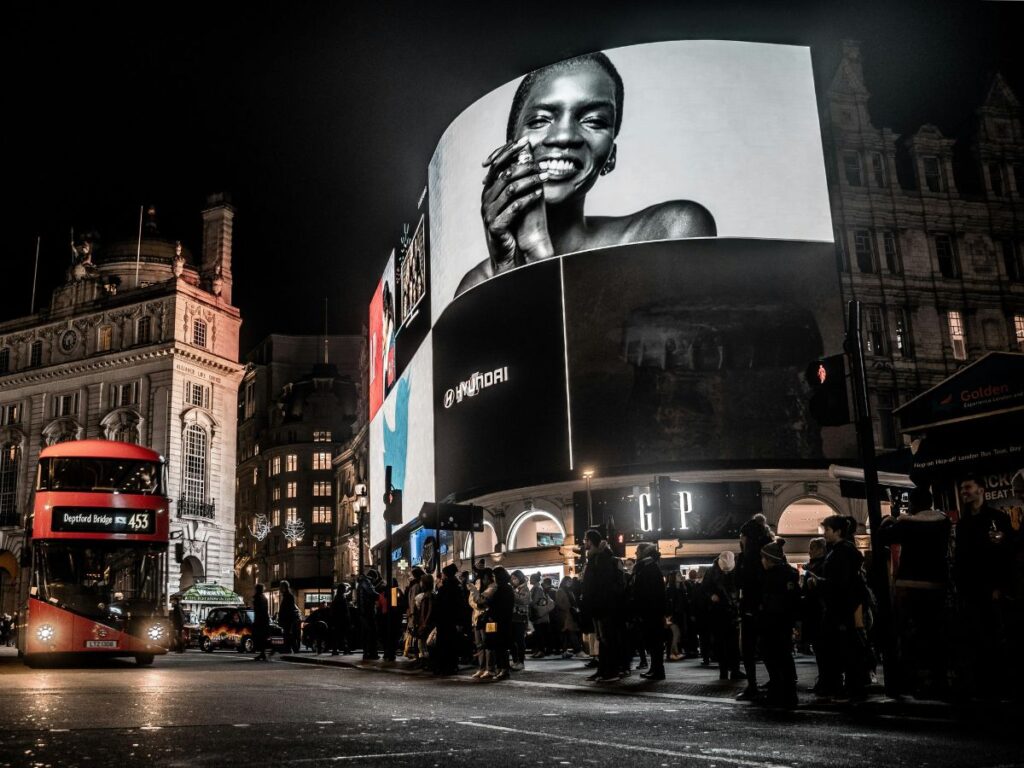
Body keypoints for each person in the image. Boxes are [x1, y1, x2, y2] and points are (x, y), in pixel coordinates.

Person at [458, 52, 716, 296]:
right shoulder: (479, 283)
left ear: (610, 155)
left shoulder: (669, 231)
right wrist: (509, 271)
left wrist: (538, 260)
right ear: (508, 146)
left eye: (593, 121)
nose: (564, 136)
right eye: (540, 120)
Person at [878, 487, 950, 697]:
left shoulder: (907, 524)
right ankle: (938, 678)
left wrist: (889, 520)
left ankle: (916, 679)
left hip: (910, 582)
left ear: (913, 504)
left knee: (911, 632)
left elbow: (884, 537)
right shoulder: (943, 522)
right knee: (935, 631)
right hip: (937, 581)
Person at [952, 474, 1013, 699]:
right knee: (975, 637)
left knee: (994, 636)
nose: (963, 492)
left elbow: (1006, 554)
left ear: (981, 490)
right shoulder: (964, 523)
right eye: (962, 488)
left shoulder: (997, 518)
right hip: (970, 589)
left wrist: (1000, 586)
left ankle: (999, 684)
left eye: (967, 487)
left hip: (990, 589)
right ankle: (982, 686)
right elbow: (961, 557)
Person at [808, 515, 869, 700]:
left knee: (841, 649)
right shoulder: (841, 551)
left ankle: (847, 687)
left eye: (827, 530)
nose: (824, 533)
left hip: (840, 608)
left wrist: (818, 583)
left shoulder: (840, 553)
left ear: (838, 531)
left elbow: (839, 584)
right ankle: (848, 685)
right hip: (842, 607)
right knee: (843, 648)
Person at [758, 538, 801, 708]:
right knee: (783, 656)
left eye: (763, 558)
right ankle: (787, 691)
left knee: (774, 656)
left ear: (770, 559)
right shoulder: (789, 574)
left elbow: (773, 600)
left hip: (773, 620)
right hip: (783, 621)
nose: (762, 561)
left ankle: (779, 690)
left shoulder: (772, 577)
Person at [736, 513, 774, 700]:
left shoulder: (749, 559)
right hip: (764, 607)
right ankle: (775, 681)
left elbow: (743, 582)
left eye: (742, 536)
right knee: (767, 647)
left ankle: (753, 685)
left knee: (750, 648)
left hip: (753, 606)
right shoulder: (765, 552)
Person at [581, 528, 627, 682]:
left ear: (591, 541)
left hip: (603, 606)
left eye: (585, 540)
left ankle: (611, 671)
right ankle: (602, 670)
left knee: (607, 639)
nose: (584, 542)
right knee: (602, 639)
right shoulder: (594, 557)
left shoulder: (602, 558)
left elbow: (602, 584)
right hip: (597, 606)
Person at [701, 551, 741, 681]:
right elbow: (704, 589)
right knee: (722, 643)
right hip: (719, 612)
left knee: (732, 643)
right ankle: (725, 671)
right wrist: (711, 595)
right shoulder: (712, 572)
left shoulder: (728, 571)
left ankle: (733, 670)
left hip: (730, 611)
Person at [632, 542, 666, 681]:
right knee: (653, 642)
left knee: (655, 642)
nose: (635, 554)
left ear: (643, 552)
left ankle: (657, 670)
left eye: (637, 551)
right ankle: (655, 669)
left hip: (651, 611)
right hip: (651, 610)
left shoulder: (649, 567)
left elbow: (650, 591)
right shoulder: (650, 566)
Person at [801, 537, 828, 691]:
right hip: (813, 610)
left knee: (822, 648)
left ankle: (825, 680)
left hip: (818, 611)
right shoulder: (814, 565)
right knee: (819, 648)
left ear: (819, 549)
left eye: (812, 548)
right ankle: (823, 678)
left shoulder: (820, 566)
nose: (809, 551)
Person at [487, 567, 516, 681]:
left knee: (500, 646)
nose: (493, 578)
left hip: (500, 621)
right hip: (501, 621)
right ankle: (501, 668)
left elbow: (500, 606)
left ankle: (503, 669)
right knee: (498, 645)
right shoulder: (504, 588)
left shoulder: (503, 589)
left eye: (494, 576)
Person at [357, 570, 382, 660]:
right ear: (373, 577)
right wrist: (380, 594)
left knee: (366, 633)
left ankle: (367, 653)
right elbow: (373, 594)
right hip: (368, 612)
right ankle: (371, 653)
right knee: (371, 633)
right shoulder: (366, 582)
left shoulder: (361, 582)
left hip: (363, 612)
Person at [528, 572, 554, 657]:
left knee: (540, 633)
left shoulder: (537, 588)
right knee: (539, 633)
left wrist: (529, 602)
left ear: (535, 579)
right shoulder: (537, 588)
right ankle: (539, 650)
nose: (530, 580)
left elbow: (535, 600)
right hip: (540, 614)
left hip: (540, 614)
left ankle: (541, 650)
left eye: (531, 578)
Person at [510, 570, 531, 670]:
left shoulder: (525, 588)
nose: (513, 580)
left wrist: (513, 593)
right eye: (512, 579)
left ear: (520, 578)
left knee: (519, 640)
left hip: (520, 617)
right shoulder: (514, 588)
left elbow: (524, 600)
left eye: (515, 578)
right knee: (513, 640)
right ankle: (515, 660)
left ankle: (521, 661)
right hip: (513, 617)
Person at [277, 580, 300, 653]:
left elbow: (289, 610)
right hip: (286, 620)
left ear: (284, 587)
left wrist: (285, 619)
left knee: (289, 635)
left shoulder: (289, 596)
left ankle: (292, 649)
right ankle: (289, 649)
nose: (279, 589)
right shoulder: (286, 596)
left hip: (288, 620)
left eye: (281, 587)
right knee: (288, 635)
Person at [330, 583, 352, 656]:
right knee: (342, 635)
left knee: (339, 635)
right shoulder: (341, 598)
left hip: (338, 620)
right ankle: (343, 649)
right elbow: (344, 610)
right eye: (344, 588)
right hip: (341, 620)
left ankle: (339, 649)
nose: (346, 589)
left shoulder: (338, 597)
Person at [252, 584, 270, 662]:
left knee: (259, 636)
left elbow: (257, 610)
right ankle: (262, 653)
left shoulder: (258, 598)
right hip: (264, 620)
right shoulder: (264, 598)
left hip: (260, 620)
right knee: (262, 637)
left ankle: (263, 653)